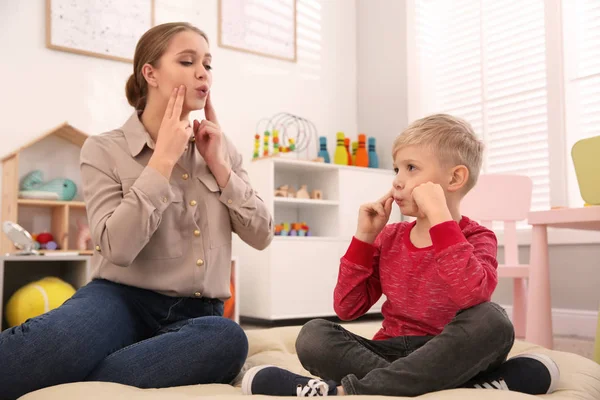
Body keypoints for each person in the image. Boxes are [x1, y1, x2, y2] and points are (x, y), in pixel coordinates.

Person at [0, 22, 273, 399]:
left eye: (208, 65)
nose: (202, 73)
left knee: (228, 338)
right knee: (44, 345)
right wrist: (160, 162)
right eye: (187, 61)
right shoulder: (102, 149)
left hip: (200, 315)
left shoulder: (220, 148)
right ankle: (91, 368)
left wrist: (221, 167)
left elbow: (262, 235)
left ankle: (84, 377)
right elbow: (117, 249)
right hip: (119, 300)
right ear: (150, 73)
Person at [241, 114, 559, 397]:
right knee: (313, 335)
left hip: (451, 351)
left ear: (454, 179)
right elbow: (348, 307)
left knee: (494, 320)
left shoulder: (477, 237)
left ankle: (343, 392)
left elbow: (471, 295)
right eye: (397, 169)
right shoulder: (390, 237)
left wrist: (440, 217)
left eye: (411, 168)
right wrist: (364, 238)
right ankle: (454, 386)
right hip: (391, 350)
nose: (397, 180)